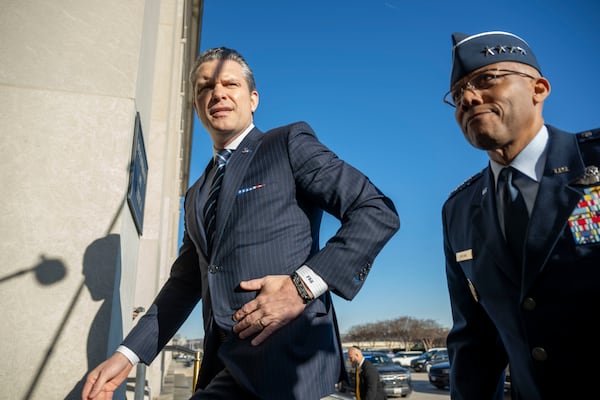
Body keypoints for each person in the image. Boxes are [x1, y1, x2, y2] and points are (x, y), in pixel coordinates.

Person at [82, 47, 399, 400]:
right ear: (197, 106)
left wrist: (302, 286)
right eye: (205, 88)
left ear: (252, 99)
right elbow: (185, 283)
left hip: (291, 364)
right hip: (225, 366)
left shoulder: (287, 144)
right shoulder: (197, 194)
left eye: (229, 83)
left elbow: (374, 210)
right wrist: (128, 355)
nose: (217, 93)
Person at [441, 30, 600, 400]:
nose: (468, 97)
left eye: (486, 79)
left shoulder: (594, 162)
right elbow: (473, 341)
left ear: (539, 89)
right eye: (458, 93)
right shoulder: (459, 210)